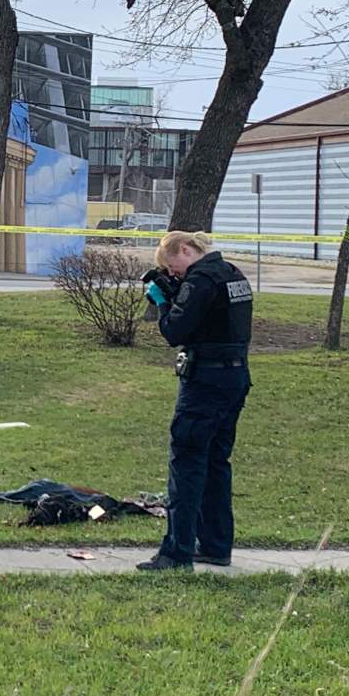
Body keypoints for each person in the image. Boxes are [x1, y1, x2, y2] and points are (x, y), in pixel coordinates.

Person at [137, 230, 253, 572]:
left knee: (186, 464)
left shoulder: (201, 279)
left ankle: (176, 552)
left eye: (173, 267)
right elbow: (214, 322)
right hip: (235, 377)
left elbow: (175, 331)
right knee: (217, 463)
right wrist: (178, 294)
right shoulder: (234, 274)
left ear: (185, 249)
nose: (174, 275)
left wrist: (161, 300)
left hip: (204, 382)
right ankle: (216, 545)